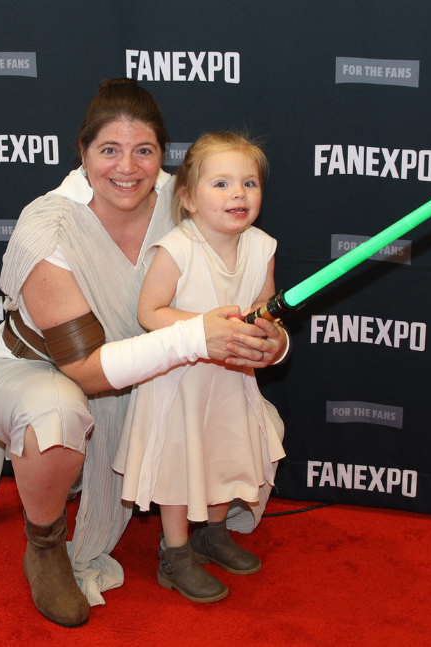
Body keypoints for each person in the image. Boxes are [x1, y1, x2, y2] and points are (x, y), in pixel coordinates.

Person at [0, 80, 289, 628]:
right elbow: (85, 369)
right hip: (40, 369)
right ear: (82, 152)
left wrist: (270, 343)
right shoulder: (49, 226)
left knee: (247, 421)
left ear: (164, 156)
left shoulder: (191, 198)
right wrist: (196, 338)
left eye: (144, 151)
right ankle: (45, 545)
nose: (127, 167)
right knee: (57, 417)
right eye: (109, 150)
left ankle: (203, 531)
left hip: (150, 372)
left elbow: (246, 291)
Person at [113, 133, 287, 603]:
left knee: (223, 456)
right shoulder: (177, 248)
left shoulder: (262, 247)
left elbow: (262, 307)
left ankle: (212, 533)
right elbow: (150, 312)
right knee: (177, 467)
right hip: (179, 385)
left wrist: (269, 334)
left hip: (231, 382)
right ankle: (175, 552)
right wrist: (204, 328)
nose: (238, 194)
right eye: (222, 183)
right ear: (188, 198)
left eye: (249, 183)